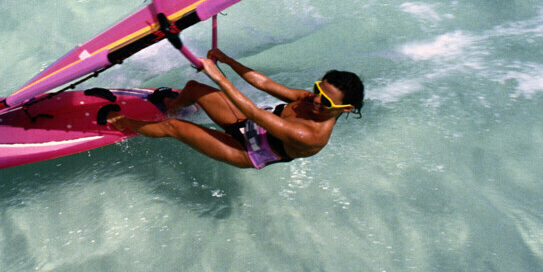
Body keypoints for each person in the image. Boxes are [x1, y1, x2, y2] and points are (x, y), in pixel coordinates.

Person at [103, 48, 364, 169]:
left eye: (326, 101)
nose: (316, 100)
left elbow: (255, 113)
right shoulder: (310, 99)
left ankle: (125, 123)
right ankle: (172, 106)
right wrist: (227, 61)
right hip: (246, 124)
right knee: (194, 87)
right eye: (318, 90)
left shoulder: (311, 136)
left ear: (347, 108)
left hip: (245, 149)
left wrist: (219, 77)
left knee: (174, 128)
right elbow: (264, 83)